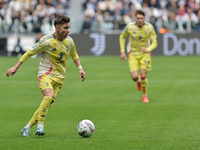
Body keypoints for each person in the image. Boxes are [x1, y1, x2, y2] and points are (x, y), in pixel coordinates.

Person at [6, 15, 86, 137]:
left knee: (47, 102)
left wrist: (80, 68)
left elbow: (74, 54)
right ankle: (40, 126)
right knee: (49, 96)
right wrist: (15, 67)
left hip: (60, 78)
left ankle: (27, 127)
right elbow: (29, 52)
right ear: (57, 28)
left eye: (69, 27)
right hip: (45, 74)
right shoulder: (46, 40)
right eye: (65, 28)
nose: (68, 31)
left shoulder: (69, 41)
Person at [119, 10, 157, 103]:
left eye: (141, 18)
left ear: (144, 18)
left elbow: (155, 43)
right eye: (138, 18)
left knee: (144, 76)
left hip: (145, 54)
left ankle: (144, 95)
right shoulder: (130, 27)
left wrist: (147, 49)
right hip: (133, 54)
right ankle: (138, 80)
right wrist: (122, 51)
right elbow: (122, 37)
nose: (140, 20)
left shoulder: (149, 27)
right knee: (134, 77)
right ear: (135, 18)